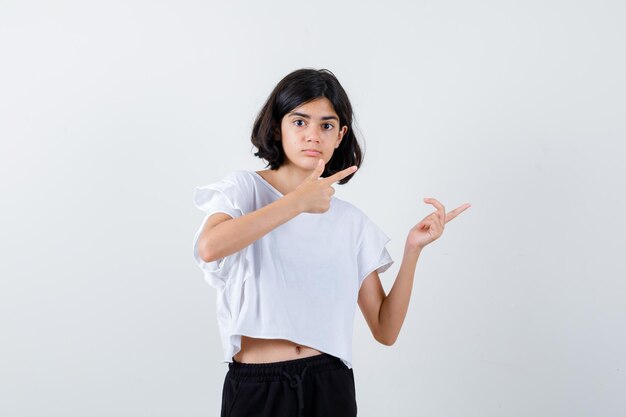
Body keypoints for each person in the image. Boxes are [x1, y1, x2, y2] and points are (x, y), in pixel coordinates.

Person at [192, 68, 471, 417]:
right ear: (277, 126)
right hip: (258, 387)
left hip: (329, 384)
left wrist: (413, 249)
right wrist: (297, 202)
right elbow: (210, 247)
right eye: (299, 122)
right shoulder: (244, 190)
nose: (312, 135)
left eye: (326, 125)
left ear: (340, 135)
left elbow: (385, 330)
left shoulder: (350, 222)